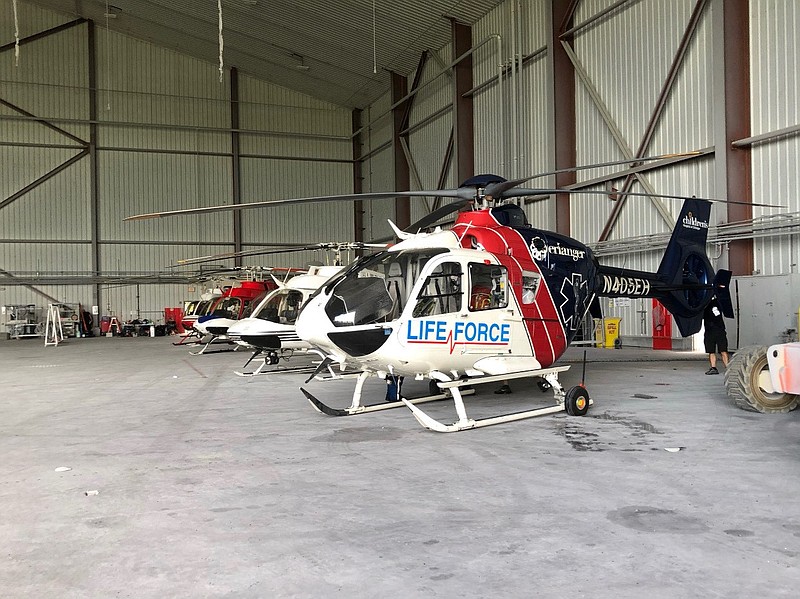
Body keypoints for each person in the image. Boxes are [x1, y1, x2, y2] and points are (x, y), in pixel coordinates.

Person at [703, 296, 729, 375]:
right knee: (714, 351)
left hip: (716, 330)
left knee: (721, 351)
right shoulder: (708, 305)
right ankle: (717, 368)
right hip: (713, 330)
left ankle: (725, 368)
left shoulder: (714, 304)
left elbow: (716, 314)